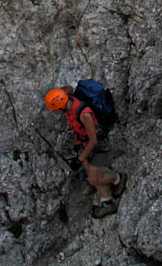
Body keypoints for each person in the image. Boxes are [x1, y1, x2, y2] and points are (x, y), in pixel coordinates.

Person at [44, 86, 126, 219]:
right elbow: (69, 88)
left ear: (61, 106)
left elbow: (93, 140)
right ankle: (107, 201)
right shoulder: (68, 101)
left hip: (99, 146)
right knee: (91, 172)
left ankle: (118, 178)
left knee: (93, 179)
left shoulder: (84, 114)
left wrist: (80, 158)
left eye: (55, 110)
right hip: (84, 144)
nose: (55, 113)